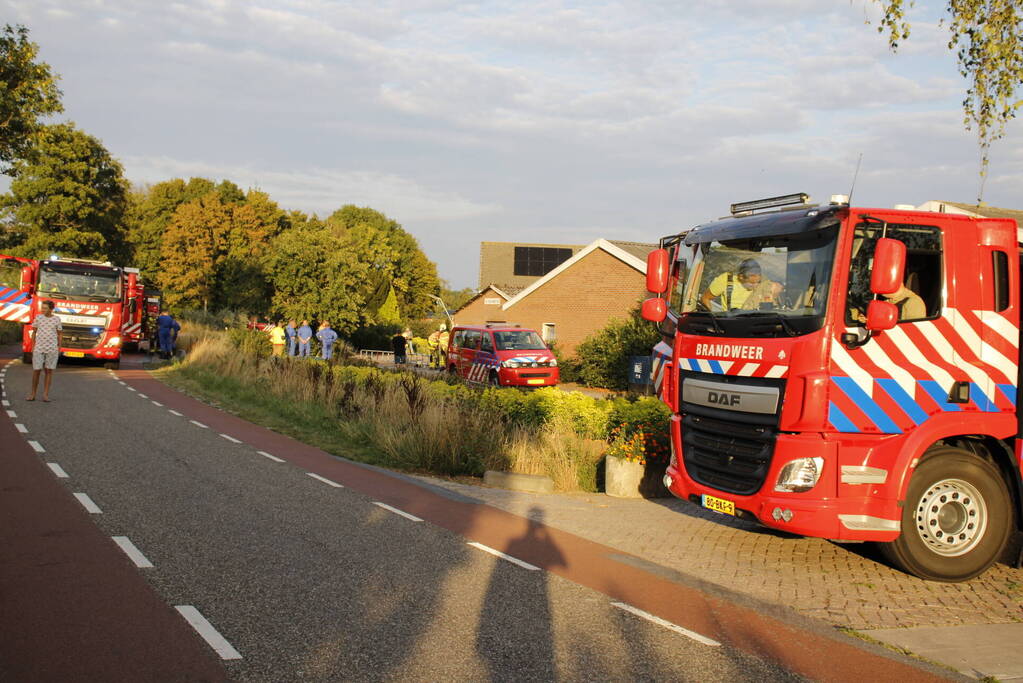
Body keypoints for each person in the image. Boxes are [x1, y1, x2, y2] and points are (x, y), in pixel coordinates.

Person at [699, 258, 781, 311]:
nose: (756, 286)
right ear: (741, 277)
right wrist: (712, 317)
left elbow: (775, 291)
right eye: (751, 283)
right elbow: (705, 298)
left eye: (758, 282)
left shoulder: (764, 283)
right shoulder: (726, 280)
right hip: (730, 323)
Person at [26, 300, 62, 402]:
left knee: (48, 371)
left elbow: (60, 333)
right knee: (36, 370)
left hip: (52, 349)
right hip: (39, 348)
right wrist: (33, 346)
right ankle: (33, 394)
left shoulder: (57, 319)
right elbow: (34, 332)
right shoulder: (38, 318)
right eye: (42, 308)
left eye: (45, 308)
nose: (43, 310)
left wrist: (59, 347)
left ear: (51, 309)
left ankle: (45, 395)